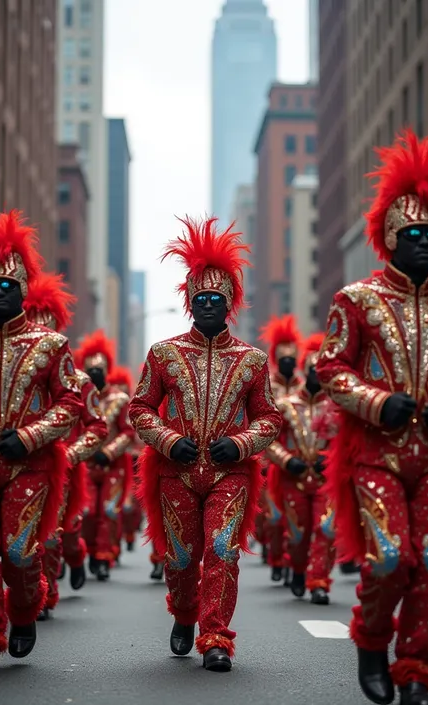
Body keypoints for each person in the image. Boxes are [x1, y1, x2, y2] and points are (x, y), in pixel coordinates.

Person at [316, 129, 428, 705]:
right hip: (378, 454)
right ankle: (371, 640)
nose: (424, 242)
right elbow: (330, 367)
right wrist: (376, 401)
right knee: (390, 558)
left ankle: (416, 671)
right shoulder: (358, 300)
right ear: (390, 238)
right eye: (412, 233)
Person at [130, 216, 281, 672]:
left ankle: (215, 637)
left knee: (222, 549)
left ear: (231, 302)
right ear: (190, 303)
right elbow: (139, 409)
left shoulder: (252, 360)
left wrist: (240, 444)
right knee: (179, 557)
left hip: (229, 474)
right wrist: (168, 440)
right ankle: (184, 611)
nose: (210, 305)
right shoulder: (163, 353)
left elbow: (270, 417)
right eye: (202, 299)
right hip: (175, 472)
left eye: (218, 298)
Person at [0, 211, 82, 671]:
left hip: (31, 465)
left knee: (19, 550)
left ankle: (24, 610)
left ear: (22, 292)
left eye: (8, 287)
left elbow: (71, 404)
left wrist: (30, 436)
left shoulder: (51, 345)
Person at [23, 272, 108, 618]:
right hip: (18, 464)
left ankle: (55, 581)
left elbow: (97, 427)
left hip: (63, 468)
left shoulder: (79, 380)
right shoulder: (12, 373)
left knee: (59, 532)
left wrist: (70, 455)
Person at [266, 333, 338, 603]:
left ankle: (319, 581)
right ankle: (296, 569)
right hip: (292, 478)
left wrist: (329, 458)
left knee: (326, 528)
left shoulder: (335, 407)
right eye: (313, 369)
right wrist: (287, 460)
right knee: (298, 532)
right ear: (305, 370)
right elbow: (269, 442)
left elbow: (345, 443)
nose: (317, 375)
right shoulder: (286, 406)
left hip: (325, 480)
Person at [76, 330, 134, 581]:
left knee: (109, 511)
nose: (95, 373)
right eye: (91, 369)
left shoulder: (120, 399)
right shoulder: (78, 398)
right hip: (86, 465)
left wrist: (109, 452)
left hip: (113, 467)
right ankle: (87, 551)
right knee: (88, 511)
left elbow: (127, 432)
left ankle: (103, 556)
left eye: (99, 369)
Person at [259, 314, 303, 582]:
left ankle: (291, 562)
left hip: (301, 460)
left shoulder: (305, 388)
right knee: (274, 516)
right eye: (284, 358)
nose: (288, 362)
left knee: (298, 518)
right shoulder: (267, 386)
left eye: (292, 358)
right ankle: (276, 558)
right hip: (269, 459)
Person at [106, 366, 141, 554]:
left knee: (132, 506)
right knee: (119, 506)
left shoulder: (139, 406)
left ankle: (128, 536)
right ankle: (110, 547)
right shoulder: (109, 404)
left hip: (142, 462)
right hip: (120, 460)